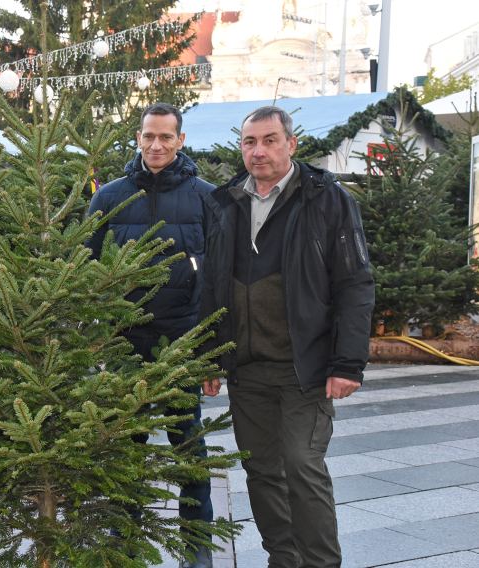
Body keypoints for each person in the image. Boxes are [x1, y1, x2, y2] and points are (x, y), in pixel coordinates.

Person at [199, 106, 374, 567]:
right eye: (249, 142)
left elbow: (355, 283)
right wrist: (208, 356)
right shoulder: (224, 203)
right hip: (247, 367)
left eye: (270, 140)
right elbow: (212, 284)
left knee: (302, 465)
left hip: (306, 366)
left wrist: (347, 363)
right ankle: (284, 558)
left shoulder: (328, 200)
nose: (258, 151)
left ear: (291, 144)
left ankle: (320, 563)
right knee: (261, 470)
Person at [86, 102, 216, 568]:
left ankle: (195, 541)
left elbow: (219, 280)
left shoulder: (206, 197)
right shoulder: (109, 197)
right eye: (148, 137)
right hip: (125, 343)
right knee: (125, 449)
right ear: (138, 138)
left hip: (182, 342)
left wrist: (211, 355)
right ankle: (123, 539)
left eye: (165, 137)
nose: (156, 145)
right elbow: (85, 269)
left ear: (181, 140)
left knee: (189, 449)